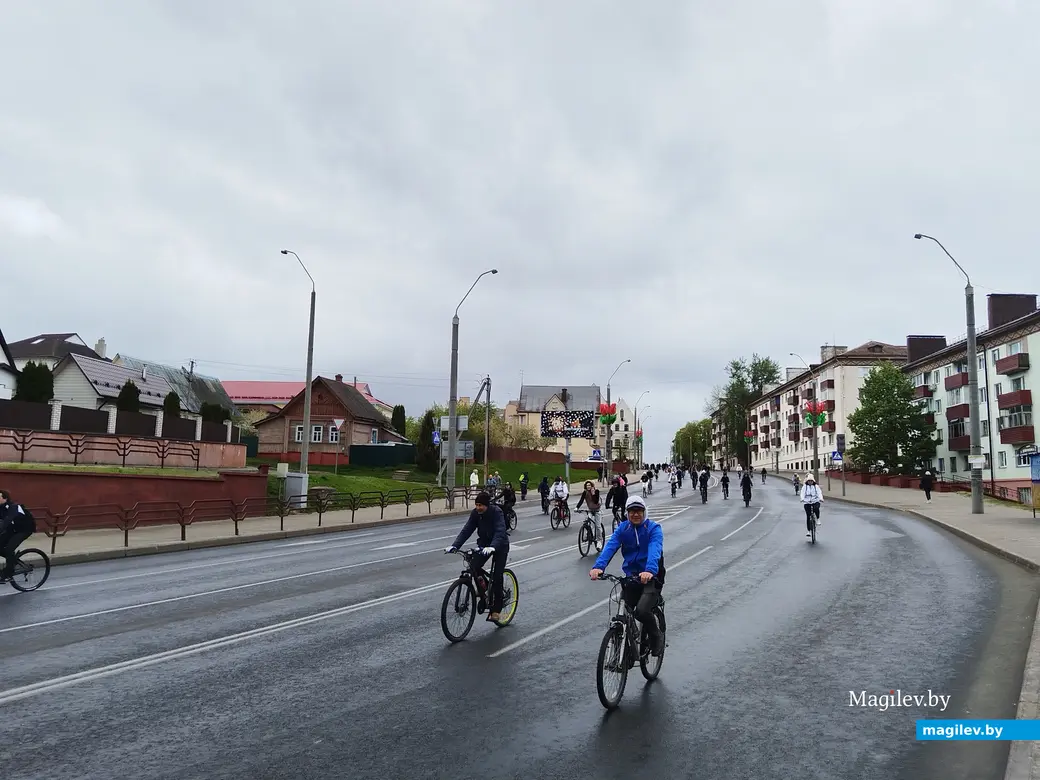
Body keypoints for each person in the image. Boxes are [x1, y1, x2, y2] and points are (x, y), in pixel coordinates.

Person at [589, 495, 665, 656]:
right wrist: (598, 567)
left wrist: (650, 571)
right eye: (632, 511)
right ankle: (624, 649)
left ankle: (656, 636)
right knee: (623, 612)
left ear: (644, 512)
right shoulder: (623, 529)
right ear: (627, 513)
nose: (635, 514)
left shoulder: (653, 528)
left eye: (639, 511)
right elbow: (610, 547)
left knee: (642, 611)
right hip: (632, 576)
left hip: (652, 576)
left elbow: (654, 550)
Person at [445, 491, 510, 621]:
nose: (478, 507)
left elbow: (500, 530)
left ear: (487, 505)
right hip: (484, 544)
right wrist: (455, 546)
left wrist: (493, 546)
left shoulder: (496, 512)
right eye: (476, 505)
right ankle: (485, 588)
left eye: (481, 505)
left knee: (497, 577)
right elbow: (467, 529)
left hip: (500, 545)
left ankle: (496, 610)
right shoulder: (476, 513)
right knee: (473, 567)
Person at [0, 490, 35, 582]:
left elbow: (7, 521)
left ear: (5, 498)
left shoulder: (14, 507)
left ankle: (8, 574)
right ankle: (12, 559)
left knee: (9, 549)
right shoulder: (1, 508)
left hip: (24, 529)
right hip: (13, 529)